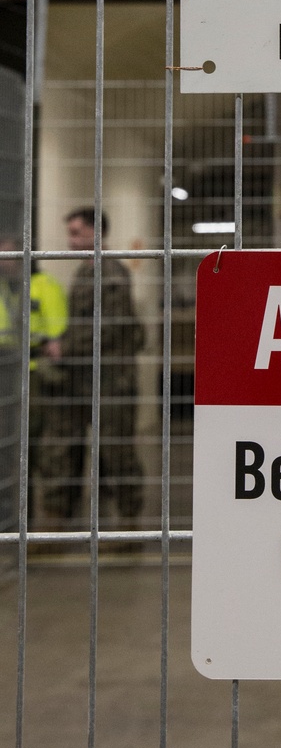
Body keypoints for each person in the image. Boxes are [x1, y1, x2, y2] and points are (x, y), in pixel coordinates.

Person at [39, 208, 144, 527]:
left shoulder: (109, 272)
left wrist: (64, 347)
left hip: (111, 381)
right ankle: (57, 521)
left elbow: (108, 328)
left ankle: (128, 523)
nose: (70, 241)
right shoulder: (87, 271)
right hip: (81, 378)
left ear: (96, 234)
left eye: (76, 233)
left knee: (116, 453)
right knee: (62, 450)